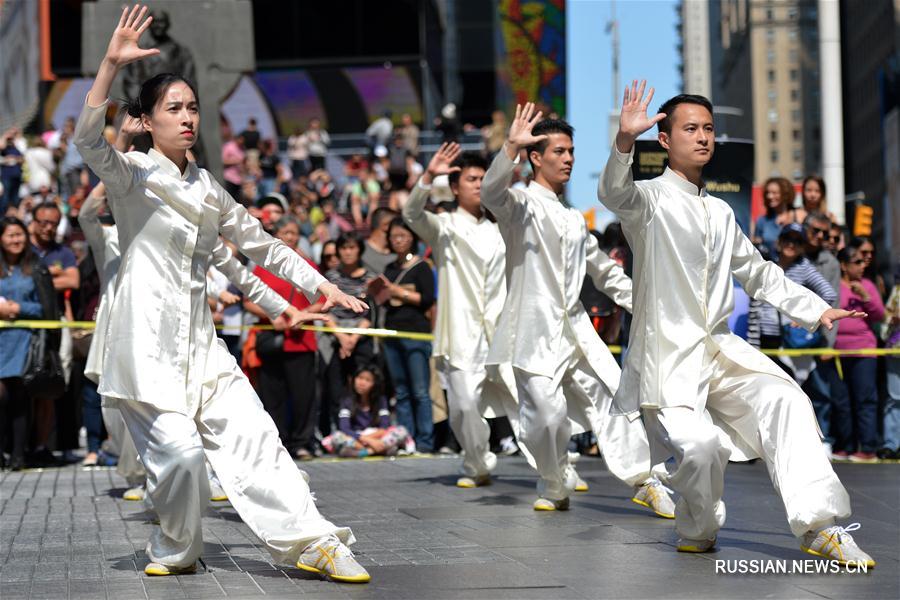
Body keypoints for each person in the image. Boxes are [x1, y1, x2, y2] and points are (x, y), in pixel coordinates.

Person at [73, 6, 370, 582]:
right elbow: (89, 142)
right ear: (148, 120)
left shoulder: (208, 186)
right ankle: (177, 547)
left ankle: (317, 543)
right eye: (173, 109)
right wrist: (109, 65)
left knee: (257, 440)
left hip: (202, 346)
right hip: (145, 347)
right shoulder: (131, 174)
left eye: (192, 107)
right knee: (181, 457)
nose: (187, 118)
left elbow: (260, 248)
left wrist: (320, 286)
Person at [598, 80, 874, 566]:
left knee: (786, 399)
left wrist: (816, 308)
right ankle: (699, 525)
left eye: (708, 129)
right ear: (664, 140)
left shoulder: (722, 212)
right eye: (690, 129)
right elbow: (614, 193)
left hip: (721, 352)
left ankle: (819, 526)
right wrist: (623, 142)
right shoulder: (648, 202)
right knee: (701, 449)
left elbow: (760, 273)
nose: (703, 137)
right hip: (667, 360)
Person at [481, 103, 674, 514]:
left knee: (613, 401)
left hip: (576, 332)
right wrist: (508, 150)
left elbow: (604, 271)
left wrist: (646, 304)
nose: (568, 159)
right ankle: (552, 482)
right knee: (545, 419)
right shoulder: (520, 206)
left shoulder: (572, 218)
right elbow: (490, 193)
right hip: (532, 334)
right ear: (536, 157)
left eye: (571, 151)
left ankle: (646, 480)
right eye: (559, 152)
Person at [403, 144, 523, 487]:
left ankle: (554, 468)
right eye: (471, 179)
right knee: (464, 404)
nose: (478, 185)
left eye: (483, 179)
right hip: (460, 334)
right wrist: (428, 176)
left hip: (502, 333)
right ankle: (476, 462)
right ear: (455, 186)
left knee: (529, 401)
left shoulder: (504, 227)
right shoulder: (444, 227)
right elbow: (412, 215)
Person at [243, 216, 322, 460]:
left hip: (301, 341)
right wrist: (274, 314)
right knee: (272, 395)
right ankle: (279, 443)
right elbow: (249, 301)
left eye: (294, 233)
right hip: (271, 340)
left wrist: (301, 315)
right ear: (276, 235)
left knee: (303, 396)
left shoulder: (308, 265)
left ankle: (302, 442)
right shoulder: (263, 266)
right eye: (286, 232)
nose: (290, 237)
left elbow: (321, 300)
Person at [0, 217, 58, 471]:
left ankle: (18, 454)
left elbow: (46, 308)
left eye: (19, 235)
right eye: (10, 235)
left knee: (21, 397)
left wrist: (18, 308)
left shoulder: (35, 266)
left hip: (25, 341)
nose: (16, 240)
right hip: (1, 342)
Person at [746, 223, 836, 375]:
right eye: (787, 238)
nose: (791, 244)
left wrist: (806, 318)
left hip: (788, 341)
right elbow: (755, 308)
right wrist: (752, 346)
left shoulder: (804, 267)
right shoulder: (766, 265)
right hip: (763, 338)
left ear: (803, 247)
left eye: (798, 241)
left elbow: (829, 294)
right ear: (779, 242)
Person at [378, 218, 436, 452]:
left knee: (420, 391)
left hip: (415, 333)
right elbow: (383, 300)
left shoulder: (422, 267)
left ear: (412, 237)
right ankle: (406, 438)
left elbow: (427, 299)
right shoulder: (389, 268)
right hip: (392, 331)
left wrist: (397, 292)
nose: (398, 240)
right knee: (400, 390)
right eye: (393, 237)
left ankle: (424, 441)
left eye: (402, 235)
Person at [319, 232, 375, 437]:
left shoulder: (370, 278)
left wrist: (353, 338)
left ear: (359, 250)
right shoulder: (330, 278)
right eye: (343, 248)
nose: (348, 252)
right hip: (334, 337)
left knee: (364, 385)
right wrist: (342, 337)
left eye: (352, 247)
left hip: (361, 337)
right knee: (335, 387)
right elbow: (325, 310)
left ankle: (363, 429)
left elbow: (372, 313)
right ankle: (336, 433)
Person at [832, 246, 885, 462]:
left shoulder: (868, 286)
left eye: (863, 263)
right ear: (844, 266)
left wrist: (866, 297)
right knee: (841, 400)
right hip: (836, 351)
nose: (862, 266)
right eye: (856, 262)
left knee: (865, 399)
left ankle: (868, 449)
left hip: (864, 350)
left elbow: (879, 315)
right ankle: (845, 445)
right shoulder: (834, 286)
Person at [322, 365, 408, 457]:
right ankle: (380, 450)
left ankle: (364, 452)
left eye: (368, 380)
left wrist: (371, 439)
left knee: (401, 431)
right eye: (360, 378)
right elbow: (344, 428)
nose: (362, 383)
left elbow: (384, 426)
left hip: (377, 436)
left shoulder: (381, 400)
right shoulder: (346, 401)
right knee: (337, 437)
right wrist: (367, 440)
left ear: (375, 384)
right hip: (357, 437)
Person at [750, 177, 797, 259]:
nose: (770, 196)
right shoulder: (762, 221)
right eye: (767, 193)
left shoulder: (797, 217)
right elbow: (757, 248)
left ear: (785, 194)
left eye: (775, 193)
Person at [880, 262, 900, 459]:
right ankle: (892, 443)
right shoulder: (897, 291)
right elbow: (887, 317)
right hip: (895, 350)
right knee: (894, 398)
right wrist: (892, 320)